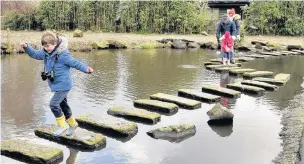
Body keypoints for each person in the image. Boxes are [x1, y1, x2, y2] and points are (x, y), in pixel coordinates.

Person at [21, 31, 93, 136]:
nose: (46, 48)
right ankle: (73, 124)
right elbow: (35, 54)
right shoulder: (45, 53)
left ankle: (62, 125)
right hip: (56, 84)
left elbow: (76, 63)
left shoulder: (64, 55)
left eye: (48, 46)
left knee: (53, 104)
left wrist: (86, 69)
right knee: (63, 105)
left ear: (55, 44)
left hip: (64, 85)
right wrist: (27, 47)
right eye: (44, 46)